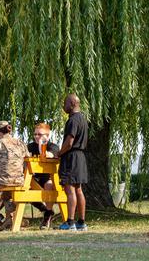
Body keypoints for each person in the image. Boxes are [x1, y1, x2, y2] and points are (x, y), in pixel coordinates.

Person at [56, 94, 89, 231]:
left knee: (70, 190)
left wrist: (59, 153)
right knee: (78, 189)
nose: (63, 106)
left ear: (72, 103)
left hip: (71, 157)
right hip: (80, 157)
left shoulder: (73, 121)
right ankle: (81, 222)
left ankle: (70, 222)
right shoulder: (83, 119)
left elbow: (69, 143)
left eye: (65, 103)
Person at [27, 122, 58, 228]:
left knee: (49, 185)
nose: (36, 136)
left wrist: (41, 145)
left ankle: (47, 215)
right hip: (33, 177)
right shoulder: (30, 146)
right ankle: (45, 210)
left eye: (39, 134)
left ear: (47, 135)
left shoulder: (53, 146)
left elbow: (48, 156)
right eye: (35, 134)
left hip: (48, 177)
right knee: (23, 186)